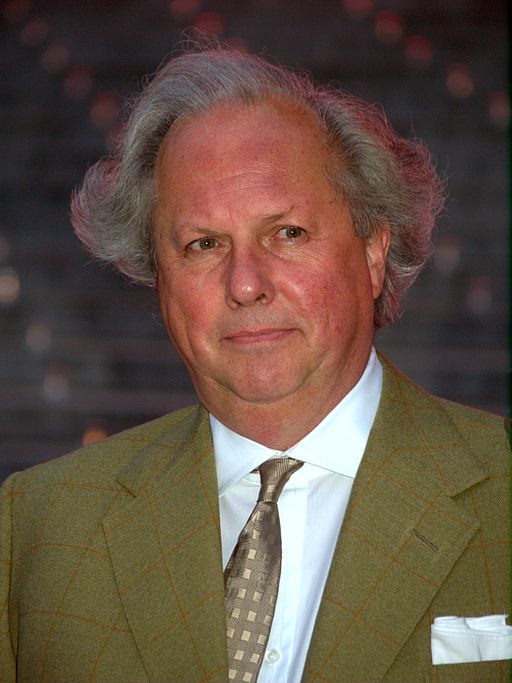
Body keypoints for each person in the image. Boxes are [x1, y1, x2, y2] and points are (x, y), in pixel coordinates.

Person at [0, 46, 510, 683]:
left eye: (287, 233)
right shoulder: (37, 528)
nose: (245, 284)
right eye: (203, 244)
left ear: (375, 252)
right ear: (158, 280)